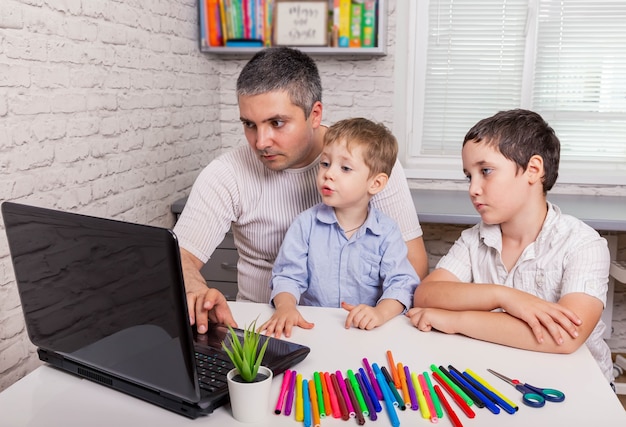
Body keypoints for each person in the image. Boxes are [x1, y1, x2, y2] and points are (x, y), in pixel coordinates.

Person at [173, 47, 429, 334]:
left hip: (360, 329)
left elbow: (413, 264)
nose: (260, 142)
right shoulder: (225, 174)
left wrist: (375, 315)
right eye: (249, 125)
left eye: (277, 123)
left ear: (315, 114)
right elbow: (177, 258)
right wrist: (196, 287)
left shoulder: (368, 162)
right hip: (267, 327)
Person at [407, 109, 613, 383]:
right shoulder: (473, 240)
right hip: (503, 378)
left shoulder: (583, 244)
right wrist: (503, 296)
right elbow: (427, 295)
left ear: (533, 170)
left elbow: (564, 337)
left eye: (486, 171)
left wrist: (456, 321)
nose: (473, 188)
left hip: (578, 387)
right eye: (470, 176)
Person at [261, 118, 421, 338]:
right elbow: (288, 277)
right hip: (312, 329)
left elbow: (401, 283)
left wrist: (380, 313)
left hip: (363, 333)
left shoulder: (387, 232)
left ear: (375, 183)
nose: (329, 173)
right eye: (325, 163)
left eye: (345, 168)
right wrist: (286, 307)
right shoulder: (304, 224)